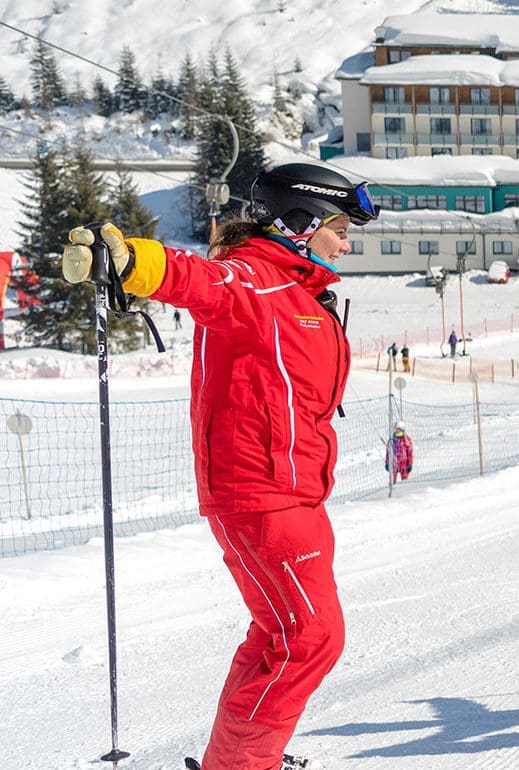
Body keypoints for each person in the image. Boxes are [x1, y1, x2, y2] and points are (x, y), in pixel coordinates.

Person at [60, 161, 378, 769]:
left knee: (278, 636)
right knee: (311, 638)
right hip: (260, 494)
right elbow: (200, 280)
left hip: (297, 490)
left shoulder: (299, 292)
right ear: (302, 222)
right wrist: (134, 263)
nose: (347, 238)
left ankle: (241, 760)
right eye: (342, 224)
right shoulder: (254, 282)